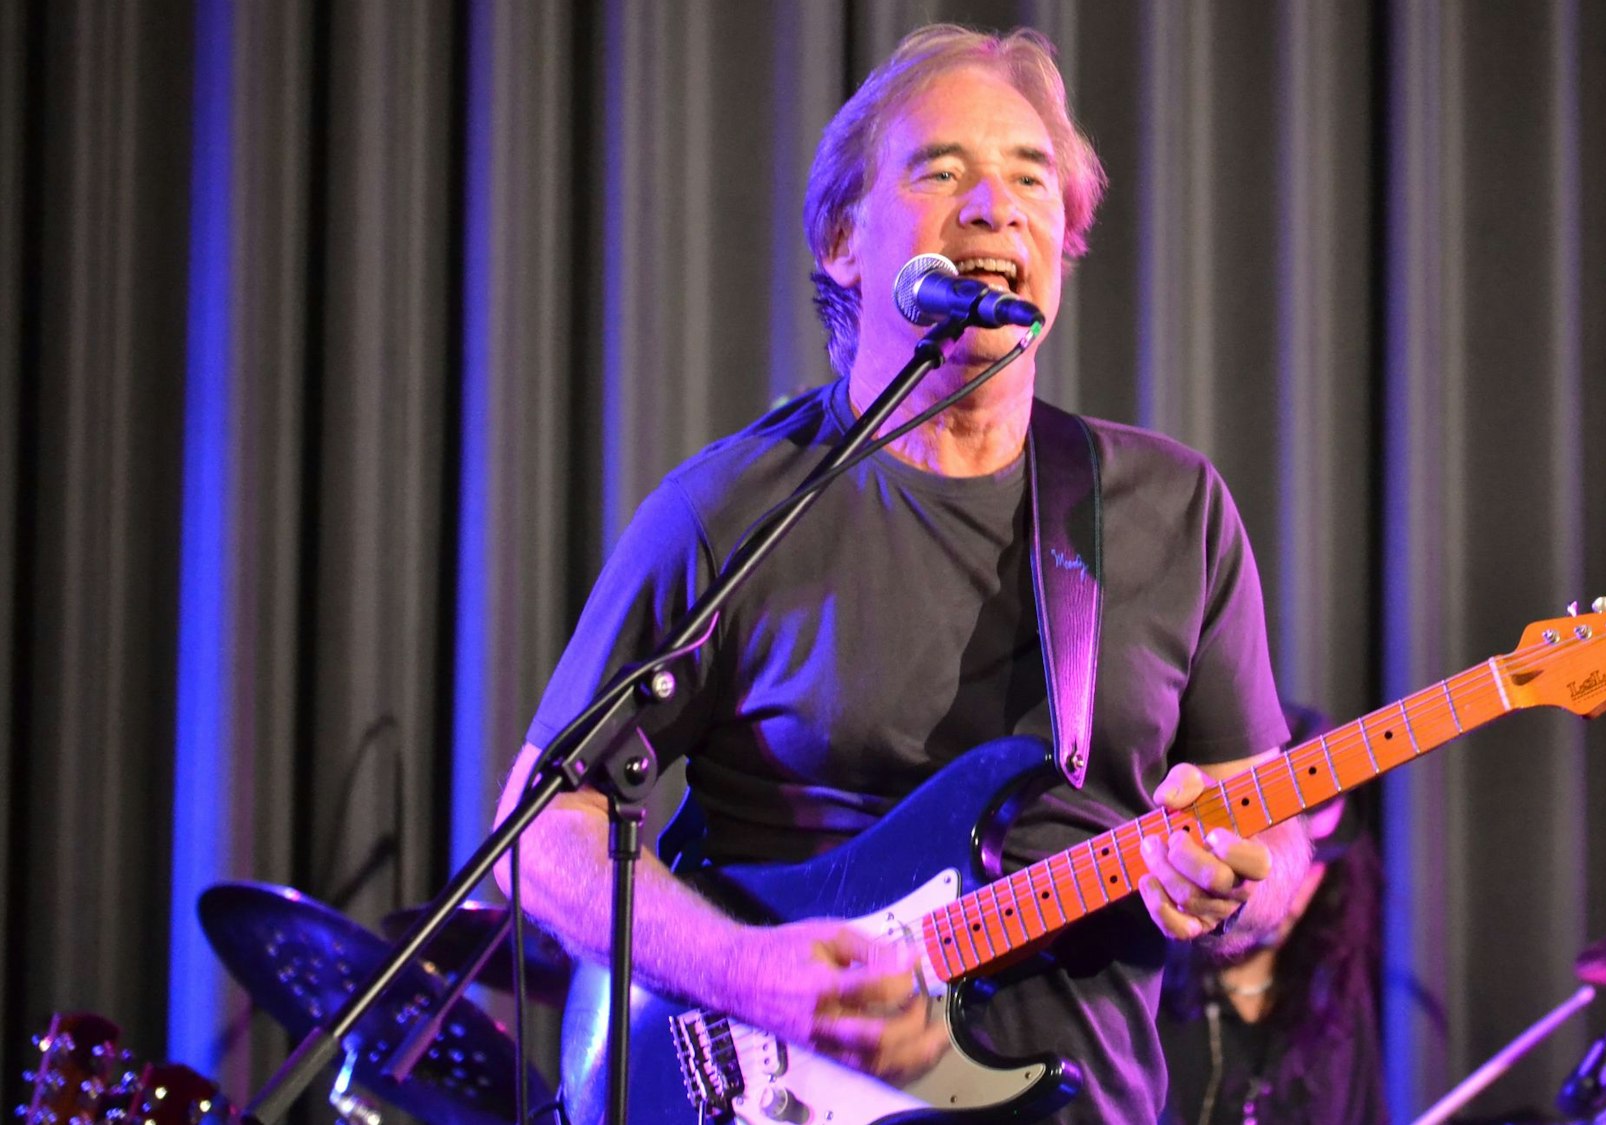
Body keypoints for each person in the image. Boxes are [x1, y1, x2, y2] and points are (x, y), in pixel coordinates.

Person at [494, 24, 1310, 1123]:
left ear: (1061, 241)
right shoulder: (732, 510)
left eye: (1031, 179)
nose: (995, 207)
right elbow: (539, 833)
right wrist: (744, 971)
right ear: (843, 240)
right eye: (941, 172)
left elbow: (1272, 842)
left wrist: (1237, 891)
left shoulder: (1172, 510)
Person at [1157, 709, 1387, 1125]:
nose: (1292, 889)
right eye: (1276, 863)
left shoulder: (1336, 999)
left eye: (1312, 865)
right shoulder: (1148, 991)